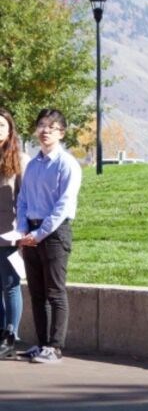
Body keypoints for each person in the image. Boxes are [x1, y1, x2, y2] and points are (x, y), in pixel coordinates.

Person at [15, 108, 82, 364]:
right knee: (37, 293)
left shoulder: (68, 165)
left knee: (55, 292)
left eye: (51, 127)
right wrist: (24, 229)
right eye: (41, 125)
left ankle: (55, 347)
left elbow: (63, 206)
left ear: (61, 133)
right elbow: (23, 200)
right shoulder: (32, 165)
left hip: (54, 234)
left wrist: (40, 234)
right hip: (31, 231)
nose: (44, 131)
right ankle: (41, 344)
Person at [0, 108, 29, 359]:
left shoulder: (20, 159)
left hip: (9, 233)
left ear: (10, 130)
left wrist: (22, 232)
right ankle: (1, 334)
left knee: (10, 286)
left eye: (1, 126)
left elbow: (24, 199)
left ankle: (11, 335)